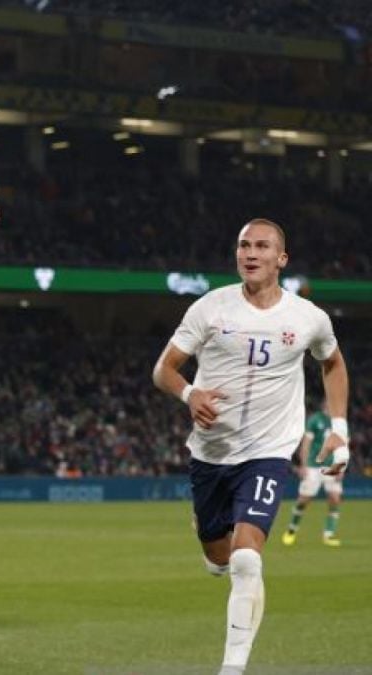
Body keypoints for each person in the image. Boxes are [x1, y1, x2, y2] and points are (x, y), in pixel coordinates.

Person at [152, 219, 350, 675]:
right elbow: (163, 370)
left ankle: (232, 668)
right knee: (218, 556)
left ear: (281, 259)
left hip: (268, 451)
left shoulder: (307, 318)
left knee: (245, 558)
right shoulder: (210, 308)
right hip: (210, 454)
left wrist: (340, 427)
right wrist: (189, 394)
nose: (251, 253)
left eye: (262, 246)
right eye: (244, 245)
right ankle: (208, 531)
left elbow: (333, 363)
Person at [281, 406, 344, 547]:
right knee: (304, 500)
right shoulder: (315, 420)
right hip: (313, 465)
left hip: (332, 465)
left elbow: (343, 445)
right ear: (325, 402)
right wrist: (303, 465)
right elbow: (306, 443)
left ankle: (329, 534)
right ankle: (292, 529)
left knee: (335, 498)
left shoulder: (339, 422)